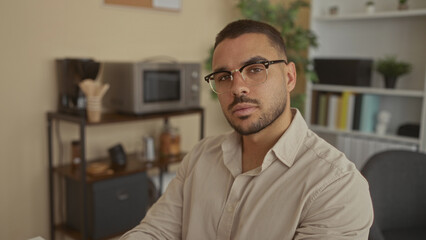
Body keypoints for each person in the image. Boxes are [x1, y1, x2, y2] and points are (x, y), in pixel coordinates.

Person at [120, 19, 373, 240]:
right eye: (223, 76)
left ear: (289, 77)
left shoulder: (337, 187)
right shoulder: (200, 156)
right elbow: (156, 231)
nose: (237, 87)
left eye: (255, 70)